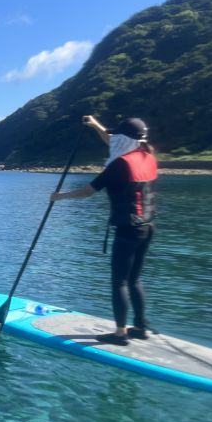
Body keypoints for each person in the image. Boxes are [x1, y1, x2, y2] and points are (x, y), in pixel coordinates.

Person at [50, 115, 158, 346]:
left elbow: (88, 191)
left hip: (128, 229)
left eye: (117, 136)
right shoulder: (147, 156)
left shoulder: (120, 165)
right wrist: (96, 125)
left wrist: (60, 197)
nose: (113, 140)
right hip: (147, 227)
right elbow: (114, 141)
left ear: (124, 139)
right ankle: (139, 327)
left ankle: (120, 334)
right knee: (135, 280)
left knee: (118, 282)